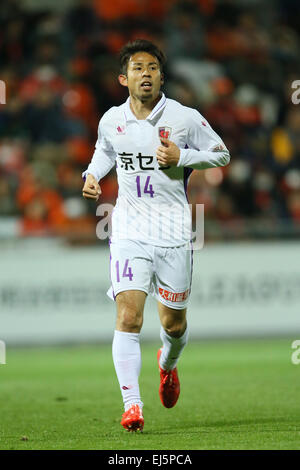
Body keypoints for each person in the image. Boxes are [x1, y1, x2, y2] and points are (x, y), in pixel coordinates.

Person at [82, 39, 230, 432]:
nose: (145, 73)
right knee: (129, 316)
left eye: (152, 67)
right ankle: (132, 405)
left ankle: (168, 366)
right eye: (137, 68)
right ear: (123, 78)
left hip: (174, 232)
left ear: (162, 76)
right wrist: (93, 175)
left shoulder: (184, 117)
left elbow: (221, 153)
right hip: (129, 229)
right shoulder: (111, 119)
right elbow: (104, 151)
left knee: (174, 325)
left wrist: (183, 157)